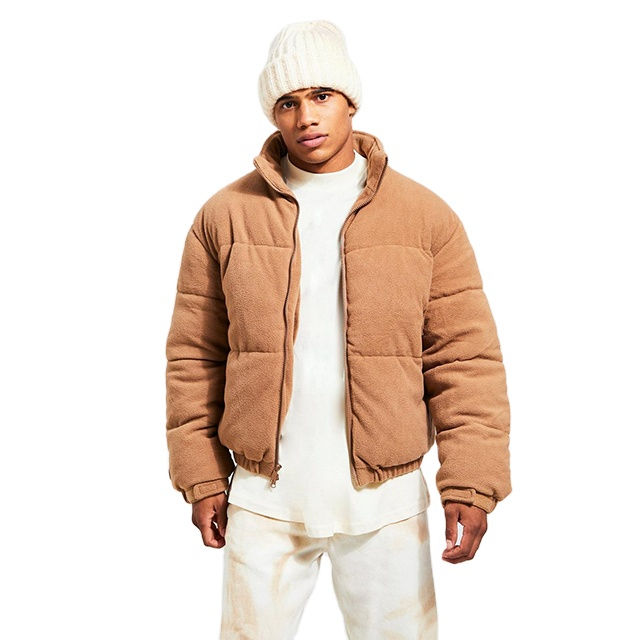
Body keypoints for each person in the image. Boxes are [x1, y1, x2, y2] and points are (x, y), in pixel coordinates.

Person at [165, 19, 511, 640]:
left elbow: (464, 360)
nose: (306, 117)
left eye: (321, 96)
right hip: (264, 495)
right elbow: (195, 356)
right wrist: (200, 473)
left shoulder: (425, 217)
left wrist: (471, 480)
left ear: (350, 100)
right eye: (288, 103)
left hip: (385, 499)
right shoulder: (225, 216)